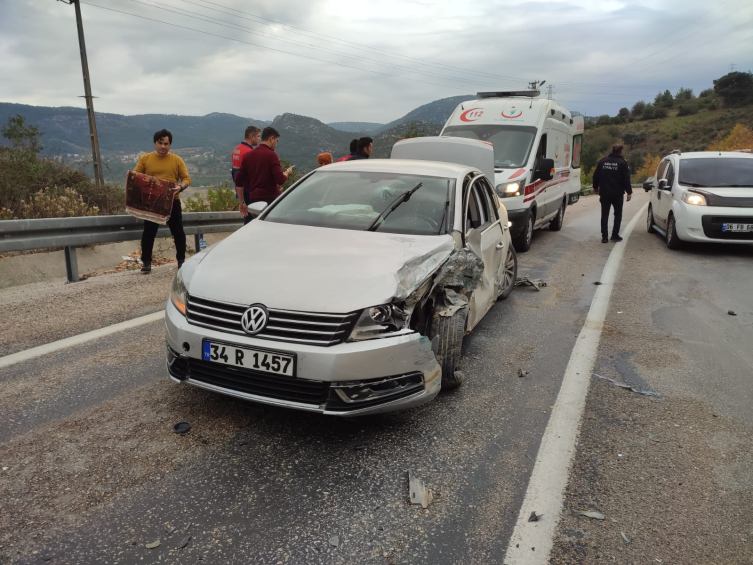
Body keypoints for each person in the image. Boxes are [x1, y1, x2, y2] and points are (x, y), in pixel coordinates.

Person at [135, 129, 191, 273]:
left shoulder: (177, 160)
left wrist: (180, 187)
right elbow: (137, 177)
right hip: (152, 202)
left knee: (178, 231)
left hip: (173, 200)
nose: (163, 146)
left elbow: (186, 179)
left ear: (170, 144)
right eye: (160, 143)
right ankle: (146, 263)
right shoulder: (145, 159)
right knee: (148, 232)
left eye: (166, 143)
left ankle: (181, 260)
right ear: (155, 143)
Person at [235, 126, 293, 221]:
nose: (276, 144)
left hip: (254, 202)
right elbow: (281, 180)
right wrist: (286, 173)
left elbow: (238, 180)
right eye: (276, 141)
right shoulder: (272, 155)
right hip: (271, 201)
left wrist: (241, 202)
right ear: (271, 138)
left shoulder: (248, 155)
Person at [593, 144, 633, 243]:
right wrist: (629, 192)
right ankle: (615, 235)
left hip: (605, 193)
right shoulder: (622, 163)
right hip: (617, 194)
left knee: (604, 215)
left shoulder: (602, 162)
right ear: (620, 152)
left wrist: (595, 188)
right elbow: (626, 179)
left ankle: (604, 237)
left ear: (612, 151)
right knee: (618, 214)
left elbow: (596, 175)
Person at [232, 126, 261, 224]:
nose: (259, 139)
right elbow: (253, 175)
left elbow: (234, 173)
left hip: (240, 191)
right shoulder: (249, 152)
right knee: (251, 221)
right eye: (257, 136)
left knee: (247, 219)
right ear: (252, 136)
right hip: (249, 191)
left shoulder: (236, 150)